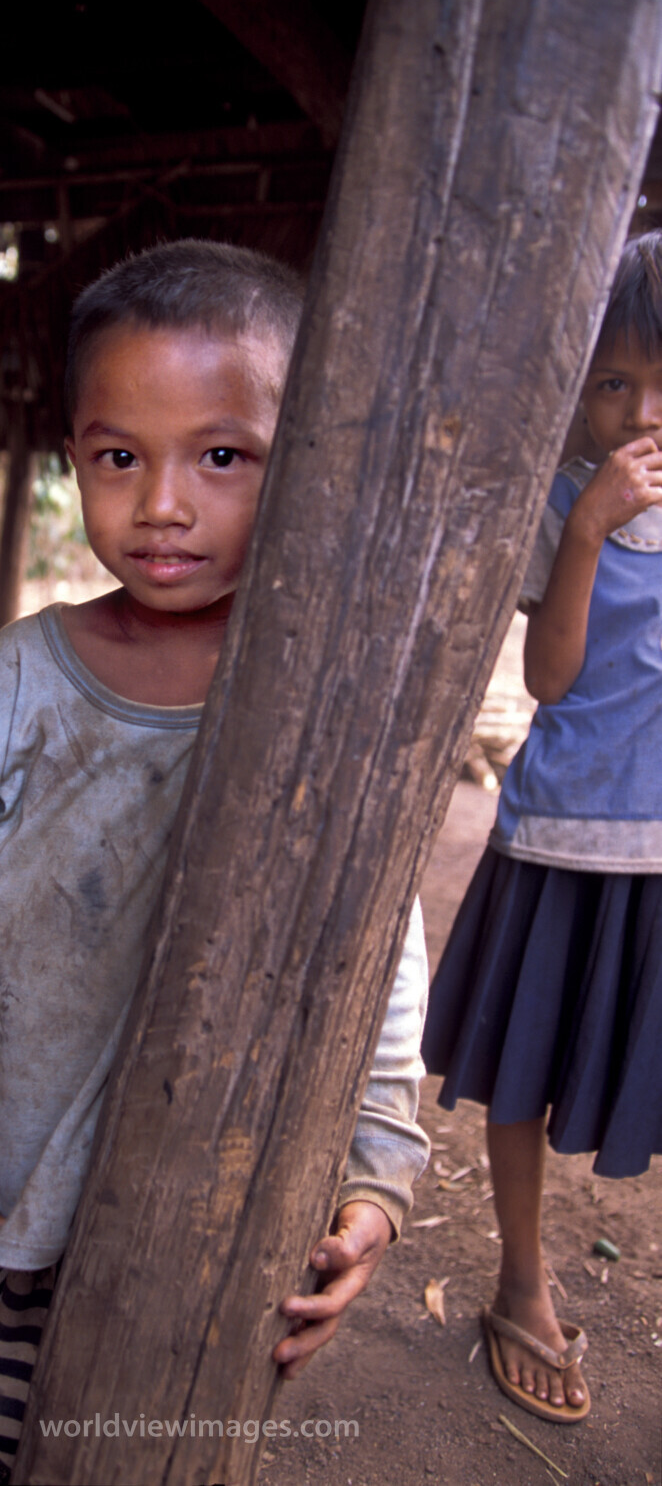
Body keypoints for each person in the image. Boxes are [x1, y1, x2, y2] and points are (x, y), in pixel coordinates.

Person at [0, 239, 431, 1485]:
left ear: (305, 460)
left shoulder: (321, 711)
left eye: (222, 456)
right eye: (120, 457)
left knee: (103, 1446)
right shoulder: (24, 680)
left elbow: (377, 967)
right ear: (73, 467)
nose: (162, 502)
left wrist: (374, 1177)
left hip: (171, 1223)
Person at [423, 230, 662, 1426]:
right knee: (520, 1071)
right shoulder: (562, 502)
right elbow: (553, 677)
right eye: (612, 382)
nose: (637, 413)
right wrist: (584, 534)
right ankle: (521, 1275)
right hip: (563, 837)